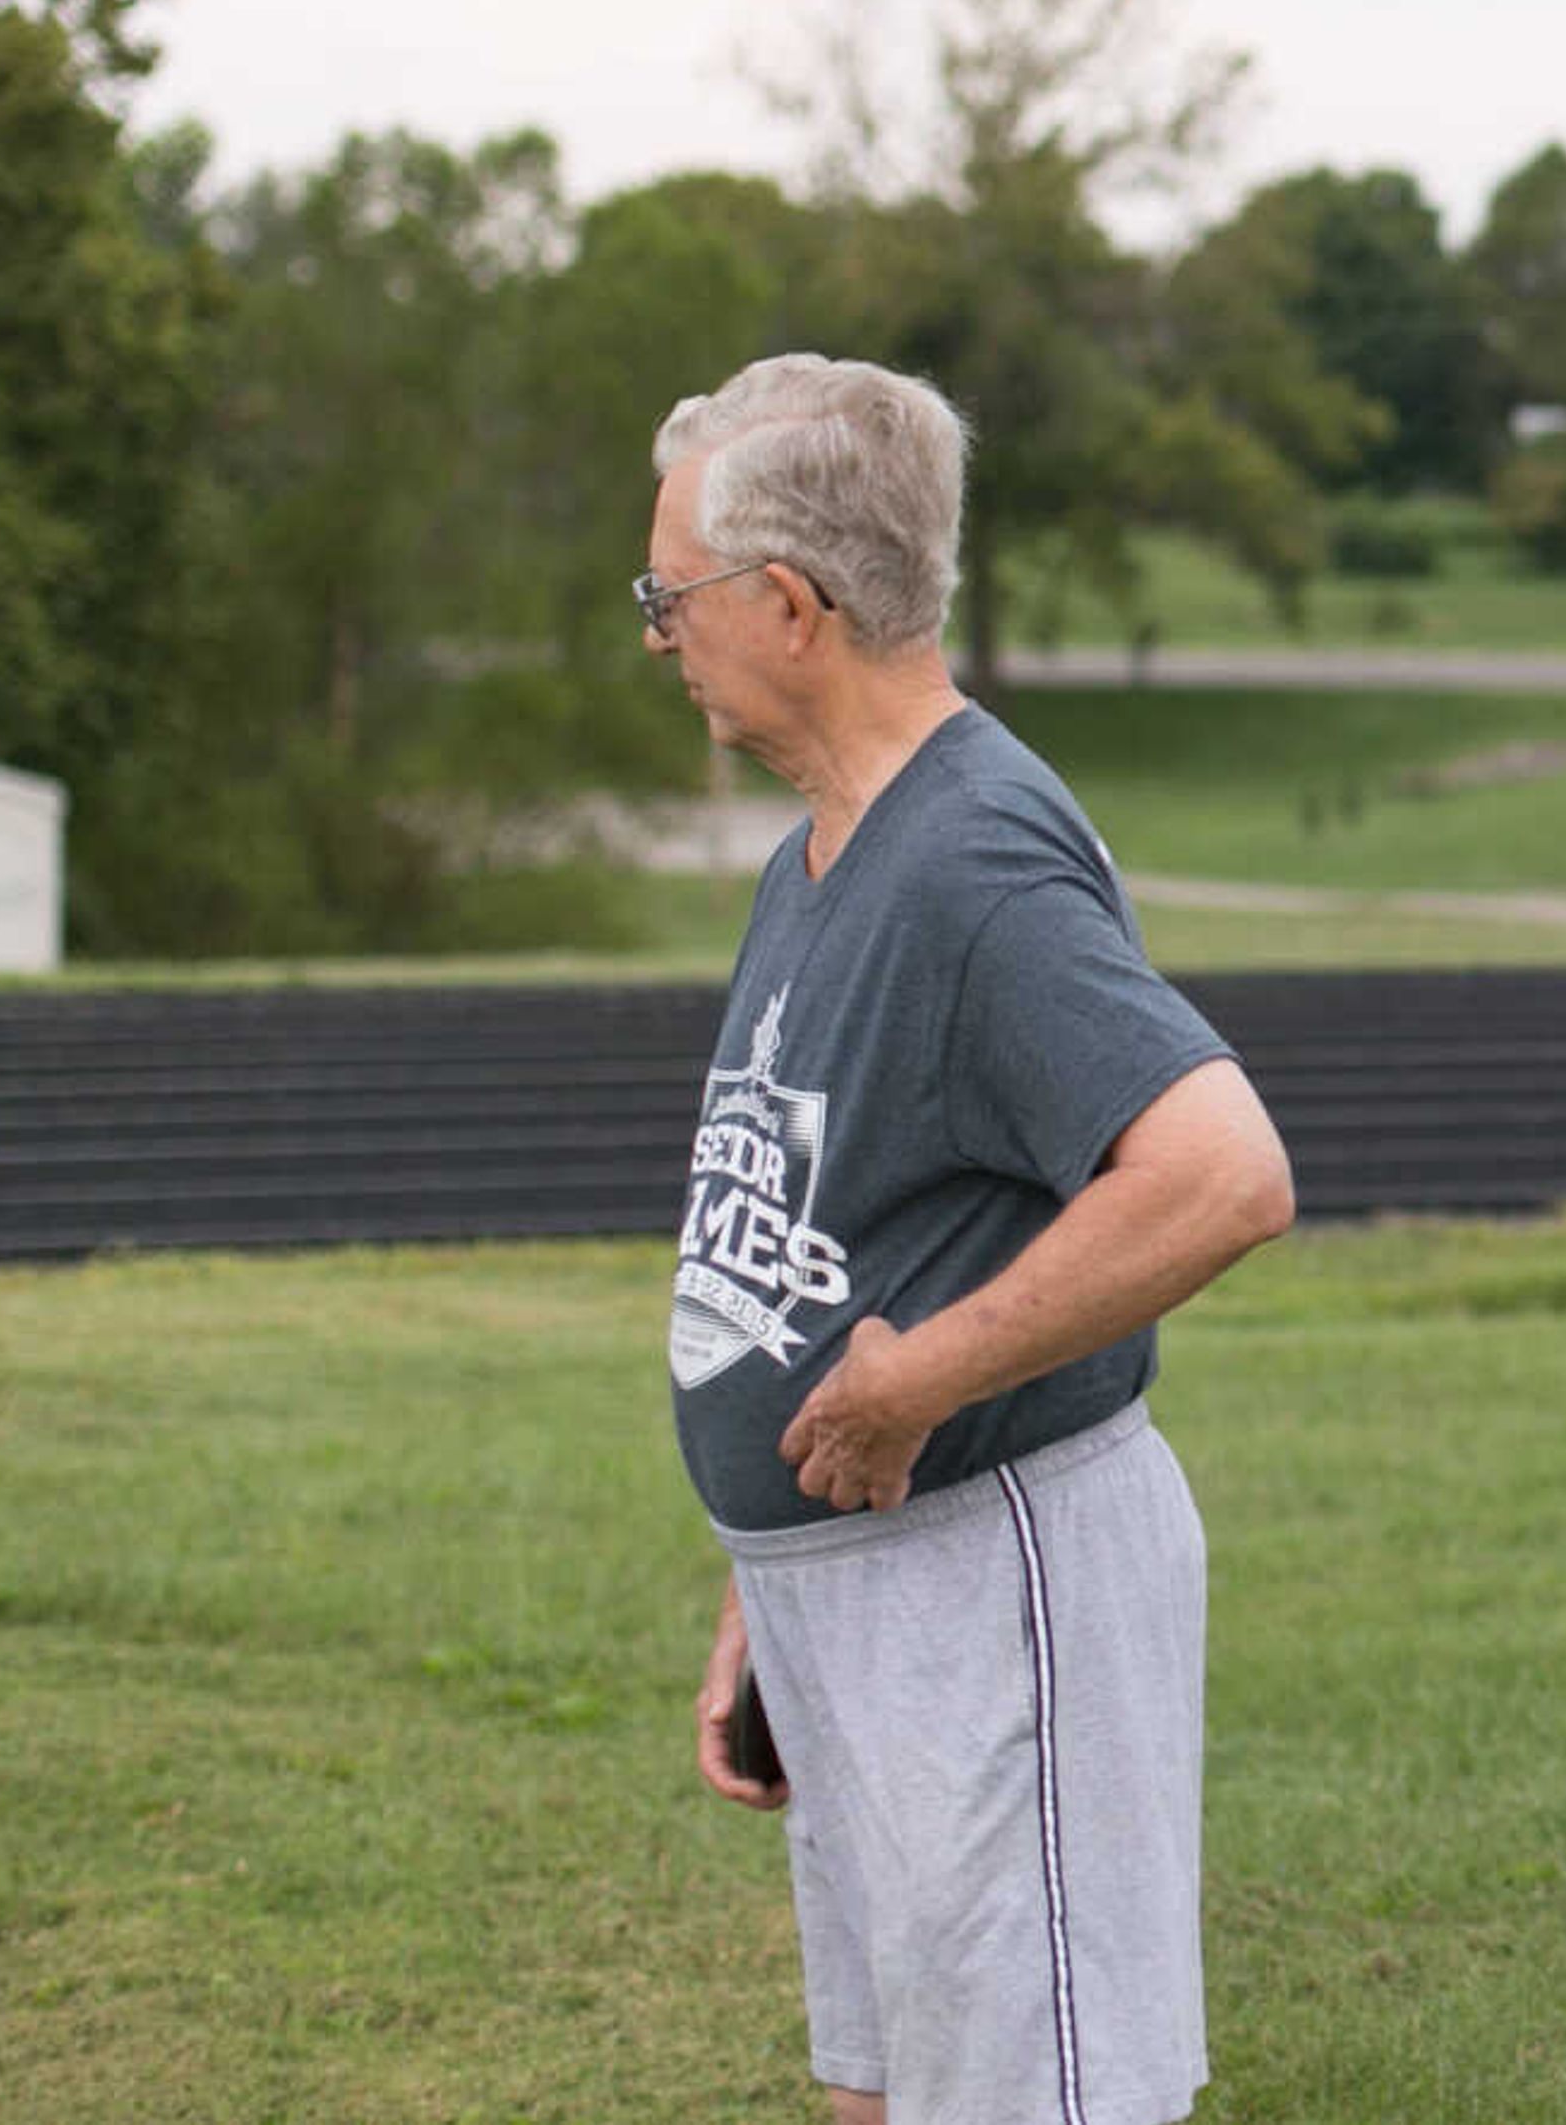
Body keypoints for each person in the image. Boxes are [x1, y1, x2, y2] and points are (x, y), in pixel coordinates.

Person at [644, 353, 1294, 2125]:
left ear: (788, 604)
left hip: (991, 1587)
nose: (657, 633)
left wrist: (913, 1383)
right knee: (891, 2090)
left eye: (669, 594)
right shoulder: (824, 853)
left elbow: (1222, 1168)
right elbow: (838, 1240)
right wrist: (760, 1579)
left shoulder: (975, 860)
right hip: (854, 1589)